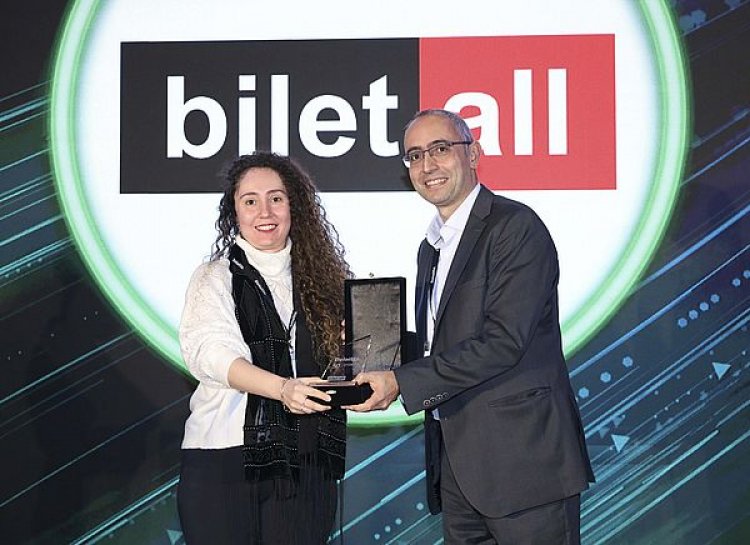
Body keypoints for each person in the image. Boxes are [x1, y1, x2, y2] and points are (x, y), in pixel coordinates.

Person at [348, 109, 595, 544]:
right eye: (415, 155)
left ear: (474, 154)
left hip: (524, 464)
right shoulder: (431, 246)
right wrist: (373, 345)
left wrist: (401, 381)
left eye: (441, 149)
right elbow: (442, 343)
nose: (427, 165)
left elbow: (503, 342)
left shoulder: (515, 227)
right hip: (459, 467)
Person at [177, 152, 350, 544]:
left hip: (307, 461)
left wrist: (351, 347)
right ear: (234, 211)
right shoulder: (214, 277)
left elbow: (334, 371)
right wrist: (283, 389)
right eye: (250, 201)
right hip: (227, 460)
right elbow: (213, 355)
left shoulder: (322, 281)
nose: (265, 212)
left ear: (294, 205)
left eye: (276, 198)